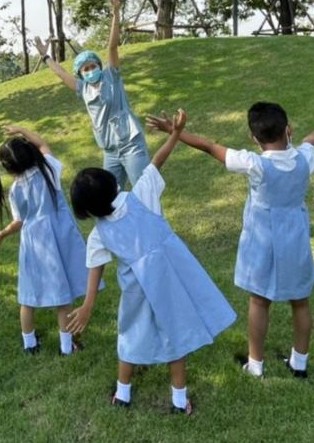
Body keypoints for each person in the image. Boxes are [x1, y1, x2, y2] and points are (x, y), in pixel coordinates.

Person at [67, 110, 236, 415]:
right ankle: (178, 400)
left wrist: (88, 305)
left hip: (136, 289)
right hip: (169, 280)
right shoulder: (139, 195)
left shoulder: (98, 234)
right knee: (176, 335)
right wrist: (175, 133)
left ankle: (123, 394)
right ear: (112, 184)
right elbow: (158, 160)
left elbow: (96, 267)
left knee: (130, 334)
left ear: (88, 210)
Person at [152, 105, 314, 379]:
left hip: (262, 242)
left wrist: (175, 132)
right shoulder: (304, 158)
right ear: (289, 130)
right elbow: (311, 140)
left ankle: (255, 365)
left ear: (254, 139)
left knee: (259, 302)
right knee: (300, 301)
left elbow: (209, 146)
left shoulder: (254, 163)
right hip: (295, 239)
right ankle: (300, 363)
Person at [0, 124, 94, 357]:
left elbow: (19, 221)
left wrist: (3, 233)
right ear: (30, 153)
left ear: (8, 169)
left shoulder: (15, 190)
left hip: (34, 245)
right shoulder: (48, 171)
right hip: (59, 238)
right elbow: (43, 144)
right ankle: (67, 347)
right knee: (62, 297)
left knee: (28, 296)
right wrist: (22, 130)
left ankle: (29, 344)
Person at [34, 0, 149, 188]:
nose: (90, 70)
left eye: (92, 66)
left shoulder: (111, 75)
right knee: (109, 197)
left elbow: (112, 47)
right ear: (80, 73)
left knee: (145, 191)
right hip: (110, 150)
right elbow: (61, 73)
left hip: (131, 144)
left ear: (99, 65)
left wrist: (115, 14)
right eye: (85, 69)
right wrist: (46, 56)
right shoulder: (83, 88)